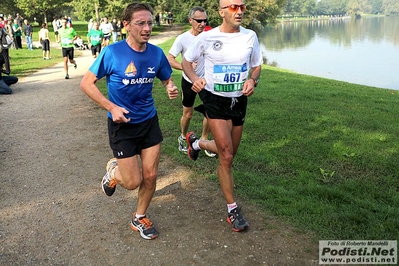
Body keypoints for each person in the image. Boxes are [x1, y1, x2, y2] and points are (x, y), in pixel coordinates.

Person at [80, 2, 178, 240]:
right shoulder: (112, 53)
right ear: (126, 25)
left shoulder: (156, 53)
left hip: (148, 121)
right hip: (121, 125)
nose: (147, 28)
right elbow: (86, 83)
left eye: (150, 23)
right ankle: (114, 172)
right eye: (140, 23)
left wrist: (170, 86)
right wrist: (111, 107)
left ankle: (139, 217)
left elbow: (166, 78)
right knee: (133, 182)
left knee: (152, 175)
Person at [181, 0, 262, 232]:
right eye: (234, 7)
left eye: (242, 7)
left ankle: (196, 143)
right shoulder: (206, 37)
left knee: (231, 153)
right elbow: (187, 61)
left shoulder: (250, 36)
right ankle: (232, 209)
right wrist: (195, 80)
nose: (239, 12)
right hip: (214, 99)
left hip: (239, 100)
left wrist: (252, 80)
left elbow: (256, 66)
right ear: (222, 12)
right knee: (225, 155)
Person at [167, 6, 215, 157]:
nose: (202, 24)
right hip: (188, 81)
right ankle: (182, 137)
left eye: (204, 20)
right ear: (190, 20)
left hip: (205, 81)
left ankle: (204, 141)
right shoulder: (182, 39)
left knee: (210, 113)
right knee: (188, 114)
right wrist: (185, 67)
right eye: (198, 20)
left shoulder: (210, 36)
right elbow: (169, 59)